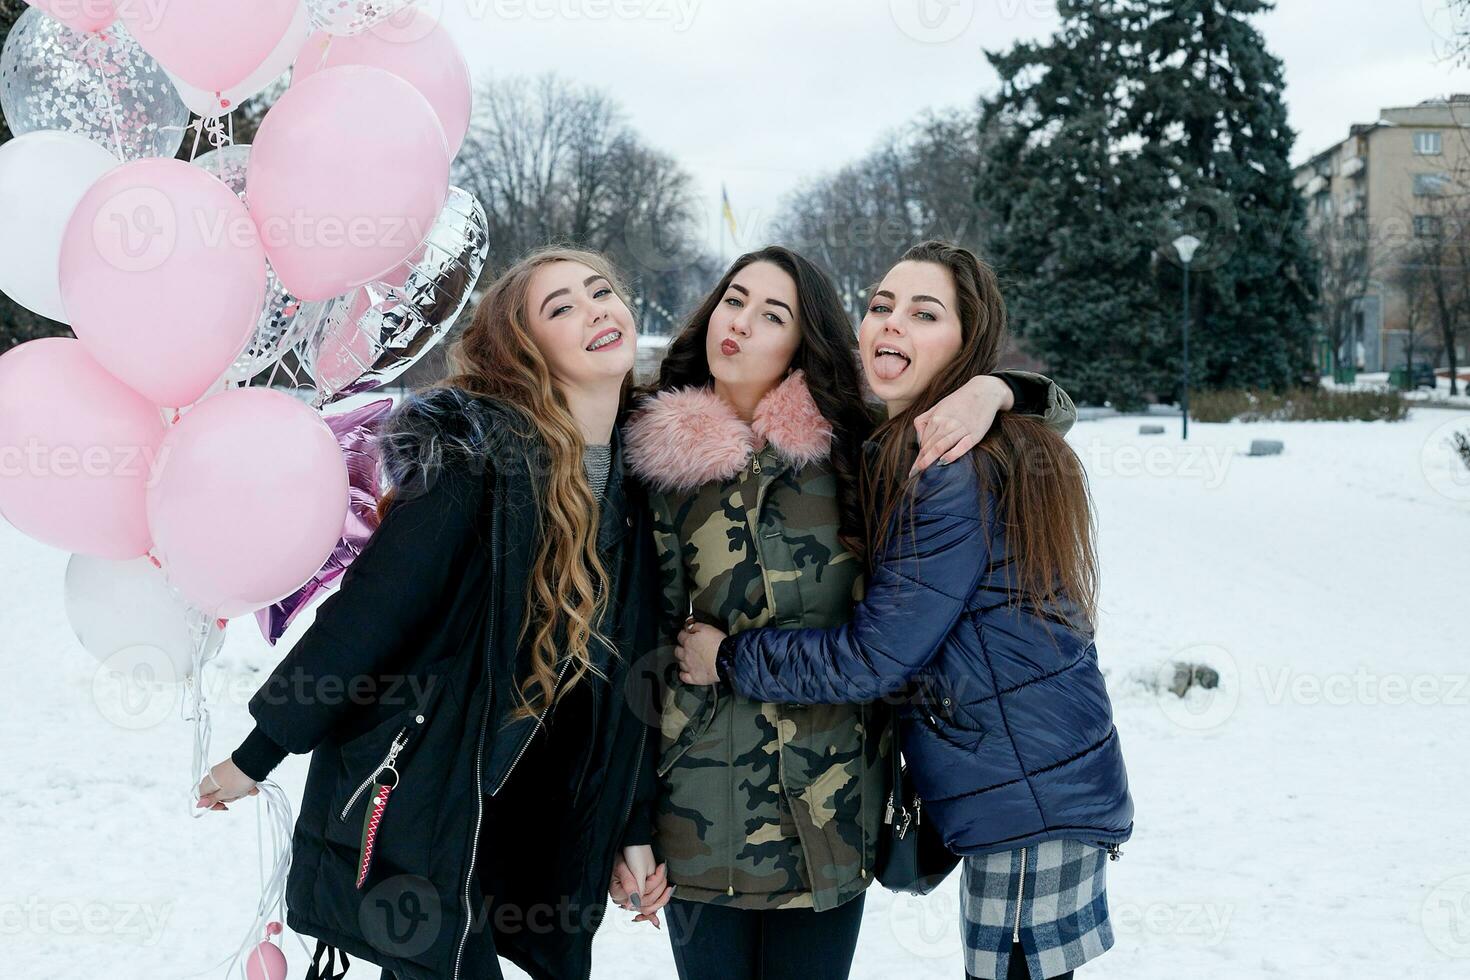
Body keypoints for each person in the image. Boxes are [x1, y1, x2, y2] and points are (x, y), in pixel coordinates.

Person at [195, 247, 673, 980]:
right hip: (432, 793)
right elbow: (377, 608)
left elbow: (634, 676)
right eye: (561, 308)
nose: (595, 310)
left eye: (600, 290)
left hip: (537, 817)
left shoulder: (642, 483)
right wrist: (261, 749)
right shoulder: (474, 455)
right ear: (524, 349)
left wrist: (631, 825)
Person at [675, 241, 1134, 980]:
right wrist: (1000, 390)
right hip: (1031, 780)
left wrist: (726, 657)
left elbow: (872, 658)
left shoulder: (949, 470)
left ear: (966, 342)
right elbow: (1052, 407)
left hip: (1028, 790)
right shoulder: (932, 437)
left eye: (925, 314)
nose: (892, 324)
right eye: (882, 306)